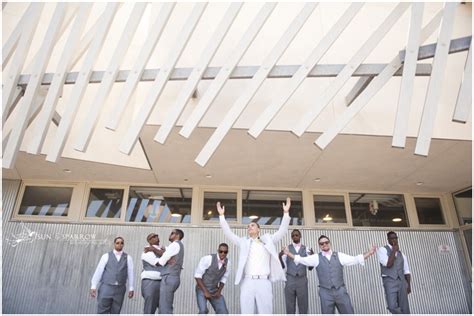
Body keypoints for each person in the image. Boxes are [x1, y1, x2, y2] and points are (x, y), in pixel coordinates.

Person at [216, 197, 291, 314]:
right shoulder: (243, 242)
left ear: (258, 229)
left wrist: (286, 213)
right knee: (246, 311)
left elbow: (282, 231)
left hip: (264, 281)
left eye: (252, 225)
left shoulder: (268, 240)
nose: (249, 227)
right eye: (248, 226)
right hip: (247, 281)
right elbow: (229, 233)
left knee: (266, 311)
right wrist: (221, 216)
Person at [284, 235, 376, 314]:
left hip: (340, 291)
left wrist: (370, 253)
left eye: (326, 242)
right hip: (325, 293)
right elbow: (301, 259)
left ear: (329, 243)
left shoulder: (339, 255)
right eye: (321, 243)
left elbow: (355, 259)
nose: (324, 244)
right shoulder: (316, 257)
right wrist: (288, 253)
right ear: (319, 246)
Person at [90, 236, 134, 314]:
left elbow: (130, 273)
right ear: (114, 244)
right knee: (102, 310)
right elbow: (99, 270)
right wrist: (93, 285)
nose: (119, 244)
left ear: (123, 245)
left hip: (120, 288)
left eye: (121, 243)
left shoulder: (128, 258)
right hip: (106, 287)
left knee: (116, 311)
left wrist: (131, 287)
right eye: (117, 243)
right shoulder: (106, 256)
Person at [279, 229, 314, 314]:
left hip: (302, 279)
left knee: (303, 304)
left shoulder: (306, 249)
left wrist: (312, 257)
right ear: (291, 237)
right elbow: (283, 266)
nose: (295, 236)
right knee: (290, 304)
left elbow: (310, 268)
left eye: (296, 235)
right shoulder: (287, 248)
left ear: (300, 236)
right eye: (293, 235)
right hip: (290, 279)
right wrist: (279, 256)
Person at [377, 231, 411, 314]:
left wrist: (408, 285)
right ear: (388, 239)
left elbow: (406, 270)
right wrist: (394, 250)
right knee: (392, 306)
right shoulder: (382, 250)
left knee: (404, 307)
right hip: (390, 281)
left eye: (395, 238)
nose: (394, 240)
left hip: (402, 281)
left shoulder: (401, 254)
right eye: (392, 238)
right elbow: (388, 264)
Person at [154, 229, 184, 314]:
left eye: (172, 233)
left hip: (169, 277)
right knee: (166, 305)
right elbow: (169, 252)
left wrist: (156, 262)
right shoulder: (179, 245)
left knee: (164, 308)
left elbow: (162, 260)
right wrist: (164, 248)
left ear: (177, 235)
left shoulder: (174, 244)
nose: (170, 234)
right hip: (174, 277)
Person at [194, 243, 231, 314]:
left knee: (223, 312)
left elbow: (224, 278)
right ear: (218, 250)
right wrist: (205, 291)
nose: (223, 253)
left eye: (225, 252)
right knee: (203, 311)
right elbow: (197, 276)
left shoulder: (228, 263)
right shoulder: (208, 258)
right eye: (221, 251)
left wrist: (219, 291)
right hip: (202, 289)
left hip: (214, 290)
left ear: (227, 252)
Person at [141, 233, 164, 314]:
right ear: (149, 241)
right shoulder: (147, 251)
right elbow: (159, 262)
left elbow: (169, 256)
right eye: (153, 237)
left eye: (157, 236)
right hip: (150, 282)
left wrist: (155, 249)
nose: (156, 237)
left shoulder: (162, 249)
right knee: (150, 307)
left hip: (163, 282)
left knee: (164, 307)